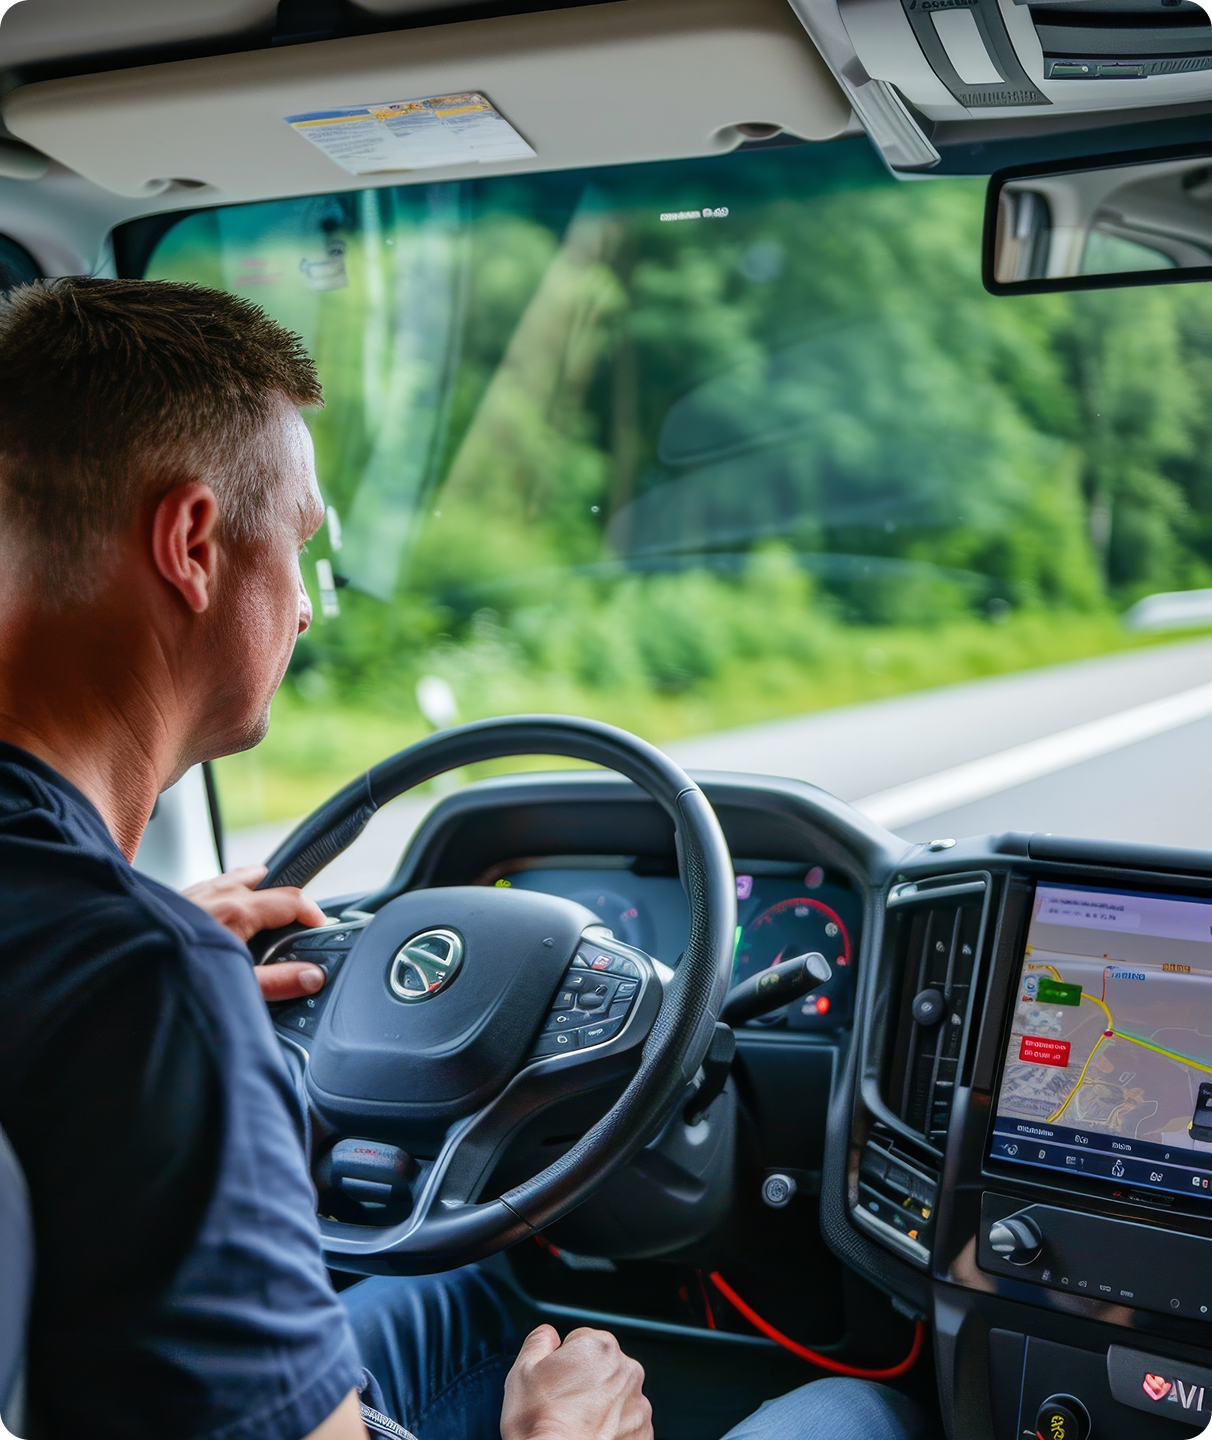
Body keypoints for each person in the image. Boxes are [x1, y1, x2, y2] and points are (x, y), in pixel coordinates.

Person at [0, 277, 930, 1440]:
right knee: (854, 1415)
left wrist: (160, 954)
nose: (303, 608)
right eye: (298, 544)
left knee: (465, 1289)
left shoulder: (98, 952)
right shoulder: (142, 981)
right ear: (191, 545)